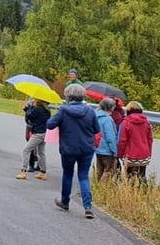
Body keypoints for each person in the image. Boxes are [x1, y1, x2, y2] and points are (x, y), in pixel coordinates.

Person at [47, 83, 100, 219]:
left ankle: (65, 201)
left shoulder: (63, 110)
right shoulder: (90, 111)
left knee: (68, 174)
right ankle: (87, 206)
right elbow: (97, 129)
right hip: (87, 148)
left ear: (68, 96)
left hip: (69, 148)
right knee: (83, 176)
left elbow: (50, 125)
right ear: (82, 96)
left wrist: (57, 116)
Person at [118, 101, 153, 183]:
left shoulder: (126, 123)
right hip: (144, 155)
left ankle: (130, 192)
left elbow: (123, 140)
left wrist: (120, 154)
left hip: (130, 155)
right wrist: (149, 153)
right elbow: (150, 139)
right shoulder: (146, 123)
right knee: (142, 175)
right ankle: (143, 192)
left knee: (128, 176)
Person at [16, 99, 50, 180]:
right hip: (45, 132)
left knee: (26, 150)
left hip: (38, 133)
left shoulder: (37, 109)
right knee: (41, 153)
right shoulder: (47, 110)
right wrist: (29, 109)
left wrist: (27, 108)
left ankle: (23, 171)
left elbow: (29, 117)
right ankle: (43, 172)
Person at [93, 98, 119, 182]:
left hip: (97, 148)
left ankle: (97, 187)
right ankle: (101, 188)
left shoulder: (96, 117)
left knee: (99, 170)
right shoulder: (107, 119)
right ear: (111, 107)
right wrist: (114, 151)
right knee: (109, 170)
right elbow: (110, 137)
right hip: (107, 150)